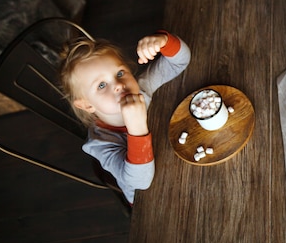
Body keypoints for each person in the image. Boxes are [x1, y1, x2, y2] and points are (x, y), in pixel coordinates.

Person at [59, 30, 191, 205]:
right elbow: (140, 182)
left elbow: (180, 62)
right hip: (152, 199)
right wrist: (136, 129)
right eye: (102, 85)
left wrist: (163, 41)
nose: (119, 85)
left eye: (120, 73)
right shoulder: (101, 144)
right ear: (87, 105)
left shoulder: (142, 89)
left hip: (175, 153)